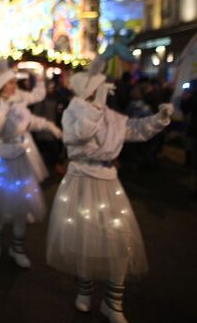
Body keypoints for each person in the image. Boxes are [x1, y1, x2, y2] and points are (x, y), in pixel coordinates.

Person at [46, 70, 173, 323]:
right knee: (85, 240)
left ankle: (113, 303)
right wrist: (97, 106)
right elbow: (79, 134)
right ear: (89, 90)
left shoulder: (111, 116)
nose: (107, 88)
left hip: (108, 183)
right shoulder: (74, 111)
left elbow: (135, 129)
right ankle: (84, 293)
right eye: (100, 86)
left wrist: (160, 119)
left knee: (119, 241)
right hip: (81, 181)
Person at [0, 61, 62, 269]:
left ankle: (17, 248)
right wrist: (4, 107)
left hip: (19, 157)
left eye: (13, 82)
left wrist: (48, 125)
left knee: (21, 204)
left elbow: (29, 122)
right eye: (9, 83)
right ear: (0, 86)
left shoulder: (19, 101)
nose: (13, 86)